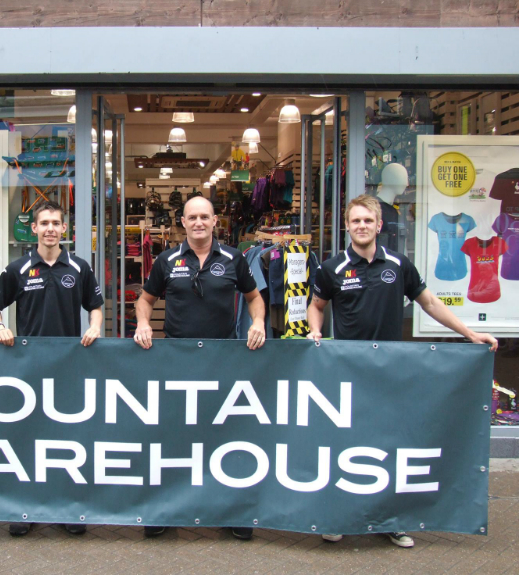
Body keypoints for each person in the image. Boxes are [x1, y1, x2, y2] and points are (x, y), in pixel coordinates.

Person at [307, 193, 497, 548]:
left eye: (368, 220)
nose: (362, 226)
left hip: (389, 373)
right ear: (347, 226)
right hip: (347, 372)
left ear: (379, 225)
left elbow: (430, 302)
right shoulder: (331, 268)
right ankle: (338, 517)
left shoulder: (398, 264)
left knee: (389, 446)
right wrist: (315, 330)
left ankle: (390, 521)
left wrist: (469, 334)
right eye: (355, 220)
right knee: (344, 446)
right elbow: (316, 305)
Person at [133, 195, 267, 540]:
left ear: (214, 221)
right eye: (192, 217)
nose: (198, 223)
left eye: (204, 217)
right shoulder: (166, 260)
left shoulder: (235, 258)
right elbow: (145, 300)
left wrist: (258, 322)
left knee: (226, 435)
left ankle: (232, 511)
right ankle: (165, 509)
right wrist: (143, 323)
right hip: (177, 361)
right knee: (174, 435)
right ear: (183, 222)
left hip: (224, 361)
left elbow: (254, 297)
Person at [0, 200, 103, 536]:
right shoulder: (18, 269)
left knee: (66, 439)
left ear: (65, 229)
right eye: (44, 223)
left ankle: (67, 509)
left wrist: (95, 327)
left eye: (56, 223)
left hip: (69, 366)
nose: (50, 229)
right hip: (29, 368)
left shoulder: (79, 267)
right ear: (34, 229)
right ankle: (27, 508)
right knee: (28, 438)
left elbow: (95, 306)